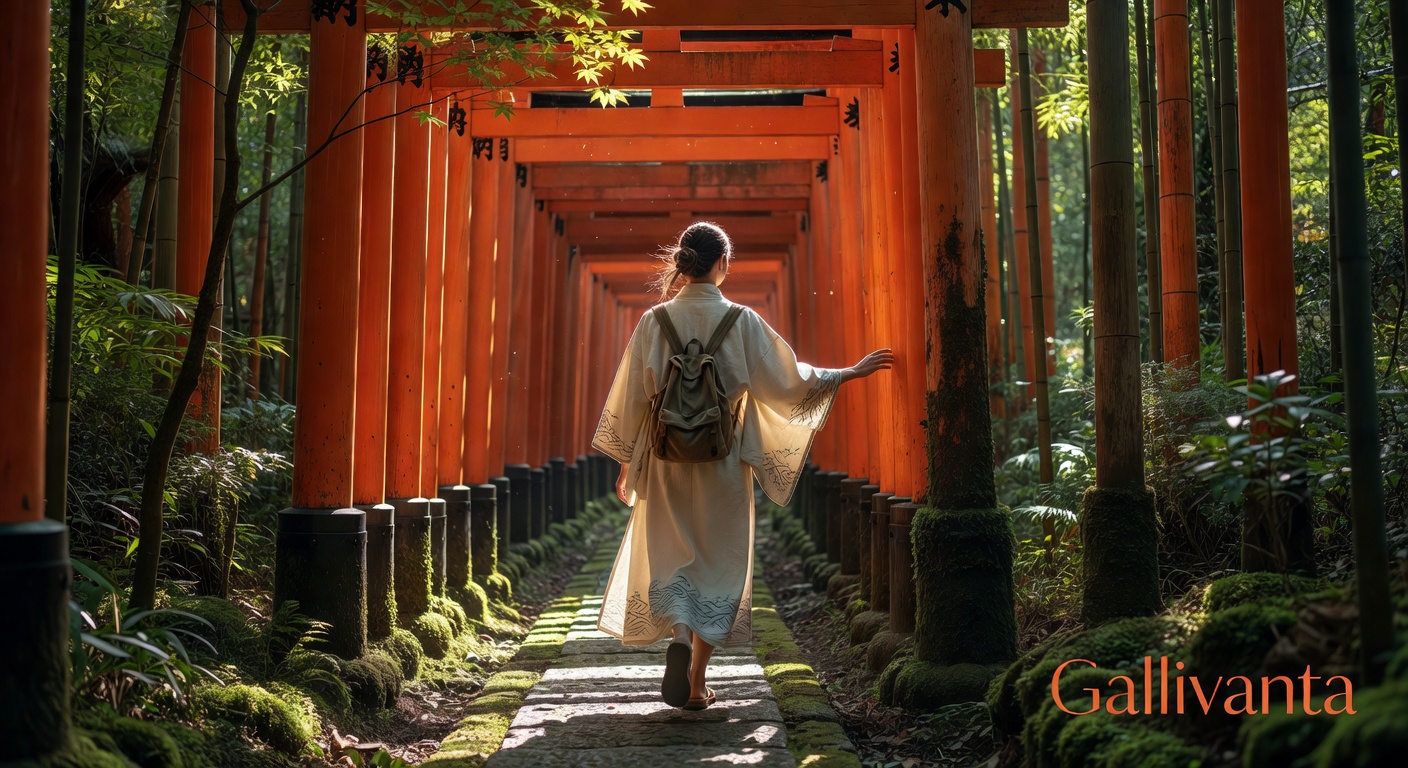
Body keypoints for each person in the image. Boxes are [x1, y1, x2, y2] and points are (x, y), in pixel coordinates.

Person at [590, 221, 892, 710]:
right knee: (720, 562)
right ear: (723, 264)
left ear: (683, 264)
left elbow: (633, 398)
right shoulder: (742, 321)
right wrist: (845, 374)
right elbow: (787, 383)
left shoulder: (654, 321)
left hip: (666, 459)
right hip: (722, 458)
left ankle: (680, 635)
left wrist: (629, 462)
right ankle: (695, 682)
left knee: (670, 553)